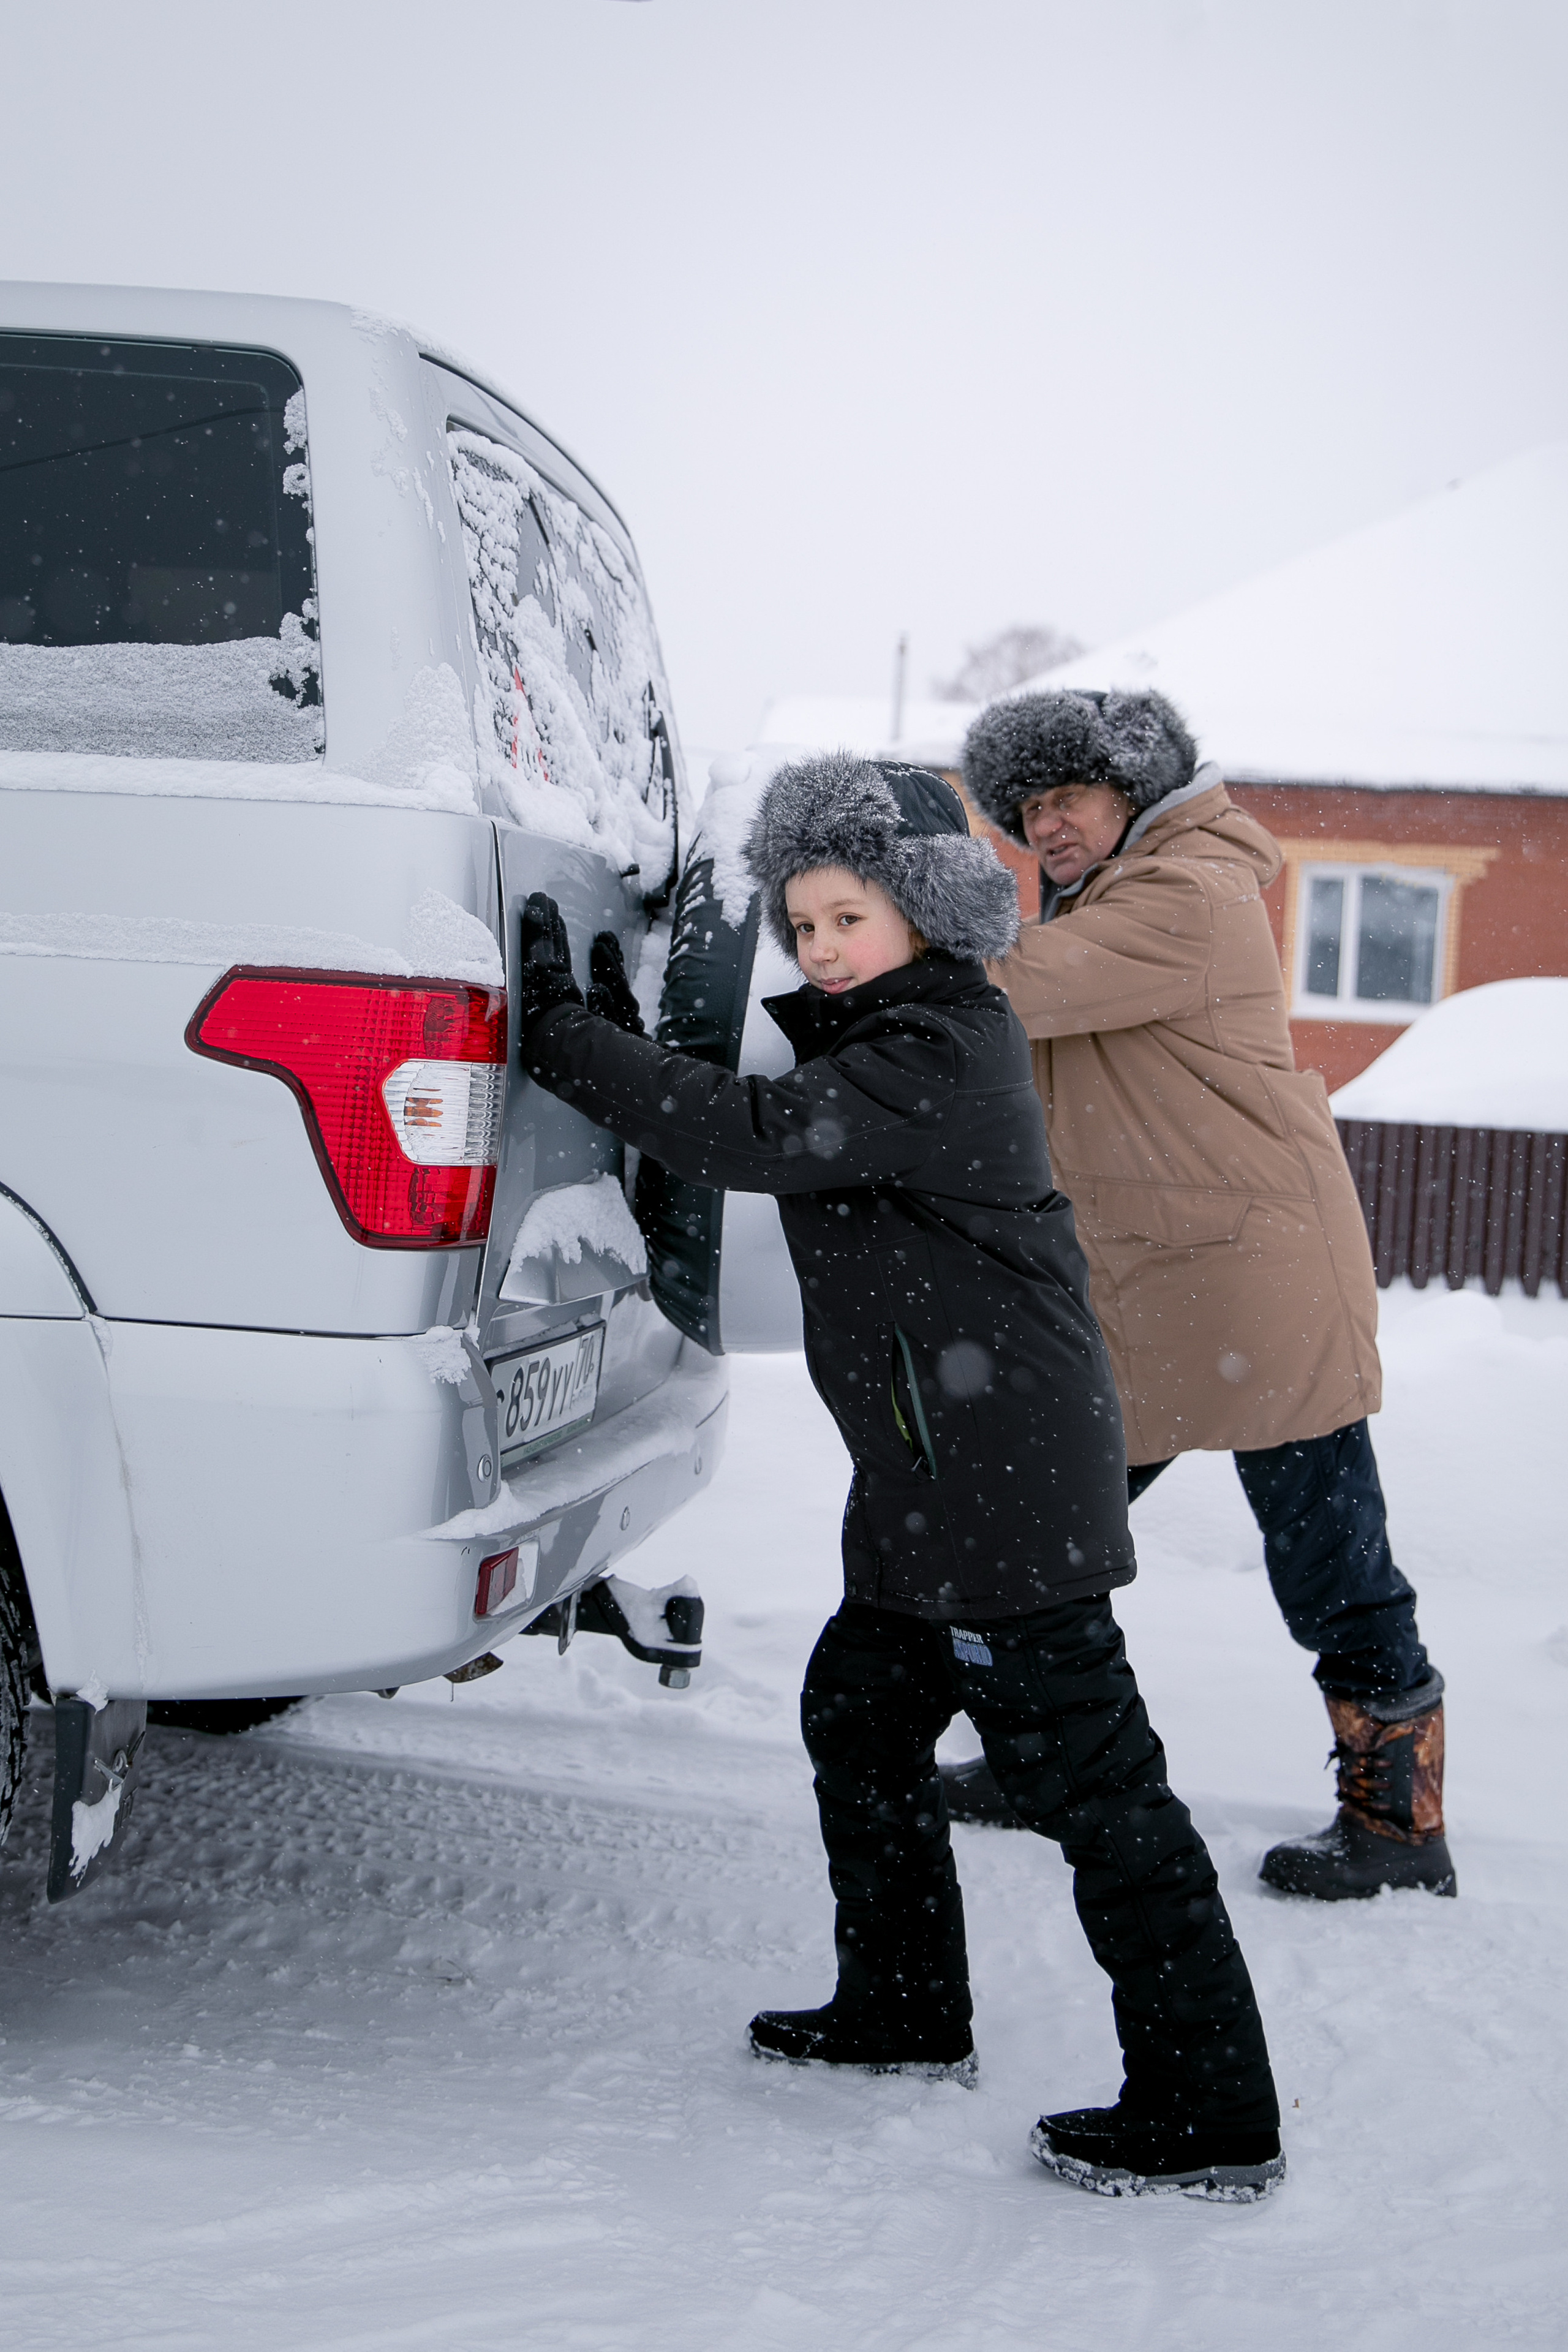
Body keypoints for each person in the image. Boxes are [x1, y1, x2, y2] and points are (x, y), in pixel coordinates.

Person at [514, 750, 1284, 2202]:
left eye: (844, 919)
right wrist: (612, 1022)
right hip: (933, 1482)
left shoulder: (939, 1048)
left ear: (924, 911)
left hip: (1000, 1492)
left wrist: (555, 1031)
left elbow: (741, 1134)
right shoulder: (884, 1038)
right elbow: (725, 1098)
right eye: (798, 925)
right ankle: (904, 2010)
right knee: (859, 1718)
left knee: (1098, 1795)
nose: (816, 948)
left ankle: (1208, 2105)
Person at [955, 688, 1452, 1902]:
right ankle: (1039, 1763)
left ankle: (1395, 1826)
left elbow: (1005, 988)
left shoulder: (1185, 892)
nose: (1046, 826)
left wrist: (867, 927)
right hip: (1157, 1291)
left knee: (1328, 1555)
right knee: (1037, 1536)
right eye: (1025, 810)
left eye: (1065, 797)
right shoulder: (1117, 896)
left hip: (1252, 1289)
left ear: (1130, 789)